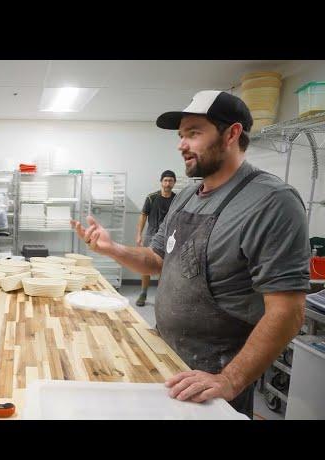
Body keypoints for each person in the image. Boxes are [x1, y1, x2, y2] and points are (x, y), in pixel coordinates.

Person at [72, 90, 310, 418]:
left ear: (232, 133)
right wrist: (112, 248)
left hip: (214, 378)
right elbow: (157, 261)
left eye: (194, 133)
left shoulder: (271, 202)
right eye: (181, 135)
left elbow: (288, 311)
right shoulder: (187, 196)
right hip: (166, 357)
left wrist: (230, 380)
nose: (181, 144)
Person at [135, 170, 177, 307]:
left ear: (174, 183)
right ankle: (143, 293)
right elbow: (143, 215)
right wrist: (138, 235)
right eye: (165, 180)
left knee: (164, 268)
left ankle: (161, 296)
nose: (168, 183)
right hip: (151, 235)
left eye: (170, 180)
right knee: (146, 265)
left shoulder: (177, 200)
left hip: (169, 237)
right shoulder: (151, 198)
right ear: (161, 182)